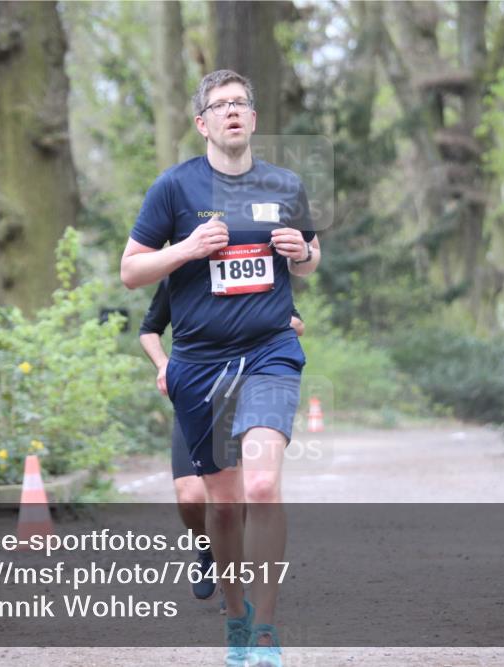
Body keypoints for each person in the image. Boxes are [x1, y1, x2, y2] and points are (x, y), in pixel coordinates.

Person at [122, 69, 320, 667]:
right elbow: (131, 270)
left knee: (261, 486)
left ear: (253, 119)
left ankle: (266, 629)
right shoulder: (174, 188)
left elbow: (310, 257)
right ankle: (236, 616)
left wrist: (303, 253)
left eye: (241, 103)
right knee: (225, 505)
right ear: (202, 123)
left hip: (269, 352)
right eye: (220, 105)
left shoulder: (285, 184)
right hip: (201, 365)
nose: (232, 111)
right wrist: (187, 249)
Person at [137, 278, 309, 605]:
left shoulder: (249, 267)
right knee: (190, 496)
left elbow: (296, 322)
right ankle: (207, 549)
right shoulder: (180, 271)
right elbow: (149, 329)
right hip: (197, 389)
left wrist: (257, 327)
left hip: (244, 391)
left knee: (236, 494)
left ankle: (235, 581)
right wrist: (164, 365)